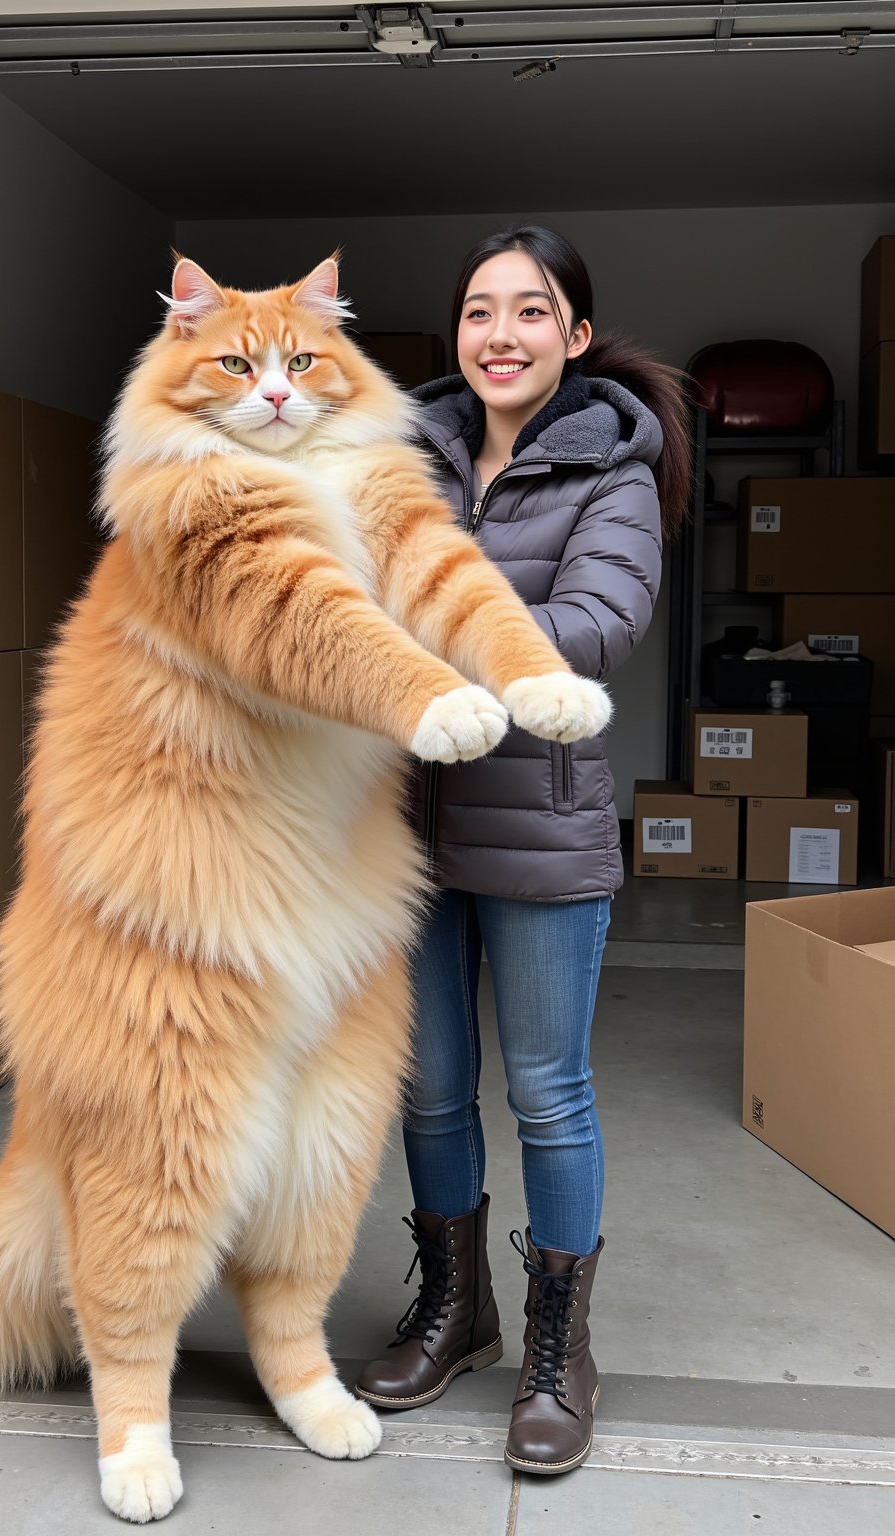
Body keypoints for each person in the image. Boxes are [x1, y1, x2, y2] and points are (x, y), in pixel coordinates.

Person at [355, 225, 690, 1475]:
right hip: (397, 823)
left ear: (576, 336)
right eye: (480, 311)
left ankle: (559, 1346)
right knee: (430, 1087)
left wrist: (400, 635)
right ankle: (457, 1310)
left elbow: (594, 627)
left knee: (547, 1095)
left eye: (531, 311)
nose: (501, 334)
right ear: (456, 335)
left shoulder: (615, 465)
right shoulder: (398, 451)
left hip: (538, 821)